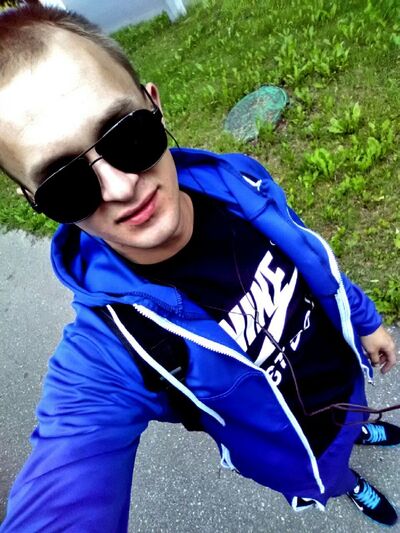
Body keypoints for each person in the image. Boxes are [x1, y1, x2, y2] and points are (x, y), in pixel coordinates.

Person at [0, 4, 398, 531]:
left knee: (351, 419)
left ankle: (359, 429)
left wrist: (365, 320)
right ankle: (347, 482)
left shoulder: (239, 183)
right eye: (65, 184)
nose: (121, 187)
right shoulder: (109, 349)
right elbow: (67, 473)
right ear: (36, 202)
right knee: (331, 471)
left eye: (127, 135)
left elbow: (311, 258)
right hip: (297, 452)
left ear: (155, 105)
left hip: (345, 381)